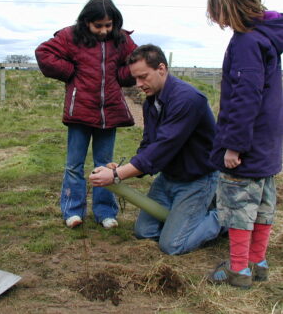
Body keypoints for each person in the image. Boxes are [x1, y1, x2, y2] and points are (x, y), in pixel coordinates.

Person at [89, 44, 222, 255]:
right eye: (135, 78)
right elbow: (149, 145)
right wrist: (123, 168)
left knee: (172, 245)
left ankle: (222, 218)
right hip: (168, 179)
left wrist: (116, 175)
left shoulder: (188, 100)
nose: (138, 84)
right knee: (144, 231)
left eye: (143, 77)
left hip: (197, 180)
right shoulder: (152, 103)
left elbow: (162, 148)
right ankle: (186, 219)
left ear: (161, 68)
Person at [206, 0, 283, 289]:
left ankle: (239, 270)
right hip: (268, 143)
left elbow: (245, 97)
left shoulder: (246, 42)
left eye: (219, 12)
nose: (219, 20)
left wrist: (233, 146)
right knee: (263, 204)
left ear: (230, 6)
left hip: (246, 144)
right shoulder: (267, 38)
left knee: (239, 205)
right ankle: (258, 263)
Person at [35, 0, 137, 229]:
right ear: (86, 22)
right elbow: (44, 53)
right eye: (98, 25)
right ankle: (72, 211)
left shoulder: (121, 40)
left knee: (106, 164)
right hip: (80, 110)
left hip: (109, 111)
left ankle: (105, 212)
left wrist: (119, 77)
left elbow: (135, 62)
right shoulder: (70, 36)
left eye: (108, 25)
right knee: (74, 165)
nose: (103, 30)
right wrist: (71, 72)